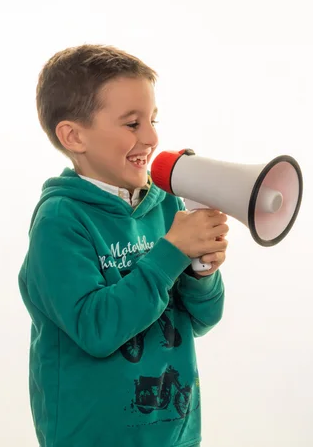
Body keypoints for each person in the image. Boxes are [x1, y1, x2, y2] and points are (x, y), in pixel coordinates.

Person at [18, 44, 229, 447]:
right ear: (74, 135)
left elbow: (200, 321)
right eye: (132, 123)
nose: (151, 137)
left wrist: (203, 271)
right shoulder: (60, 220)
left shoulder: (166, 202)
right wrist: (170, 253)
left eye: (153, 119)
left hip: (175, 434)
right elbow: (97, 328)